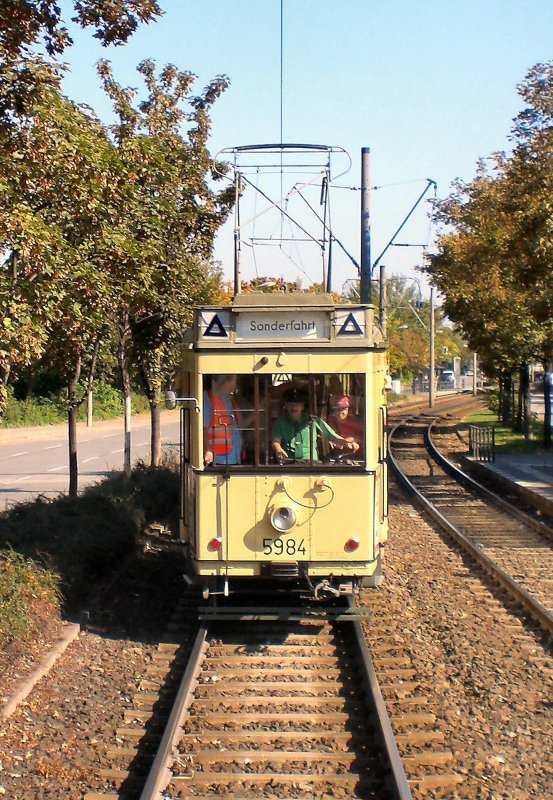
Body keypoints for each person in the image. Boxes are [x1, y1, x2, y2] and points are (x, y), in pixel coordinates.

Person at [272, 388, 360, 464]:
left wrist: (347, 443)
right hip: (289, 463)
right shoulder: (280, 422)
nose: (293, 406)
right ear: (286, 406)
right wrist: (278, 449)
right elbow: (276, 441)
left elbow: (333, 437)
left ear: (303, 405)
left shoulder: (313, 420)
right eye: (290, 403)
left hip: (311, 464)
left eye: (297, 403)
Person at [203, 375, 243, 465]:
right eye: (234, 382)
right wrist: (208, 450)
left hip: (232, 456)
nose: (236, 385)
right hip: (218, 459)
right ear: (226, 381)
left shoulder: (227, 399)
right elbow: (202, 427)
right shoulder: (207, 399)